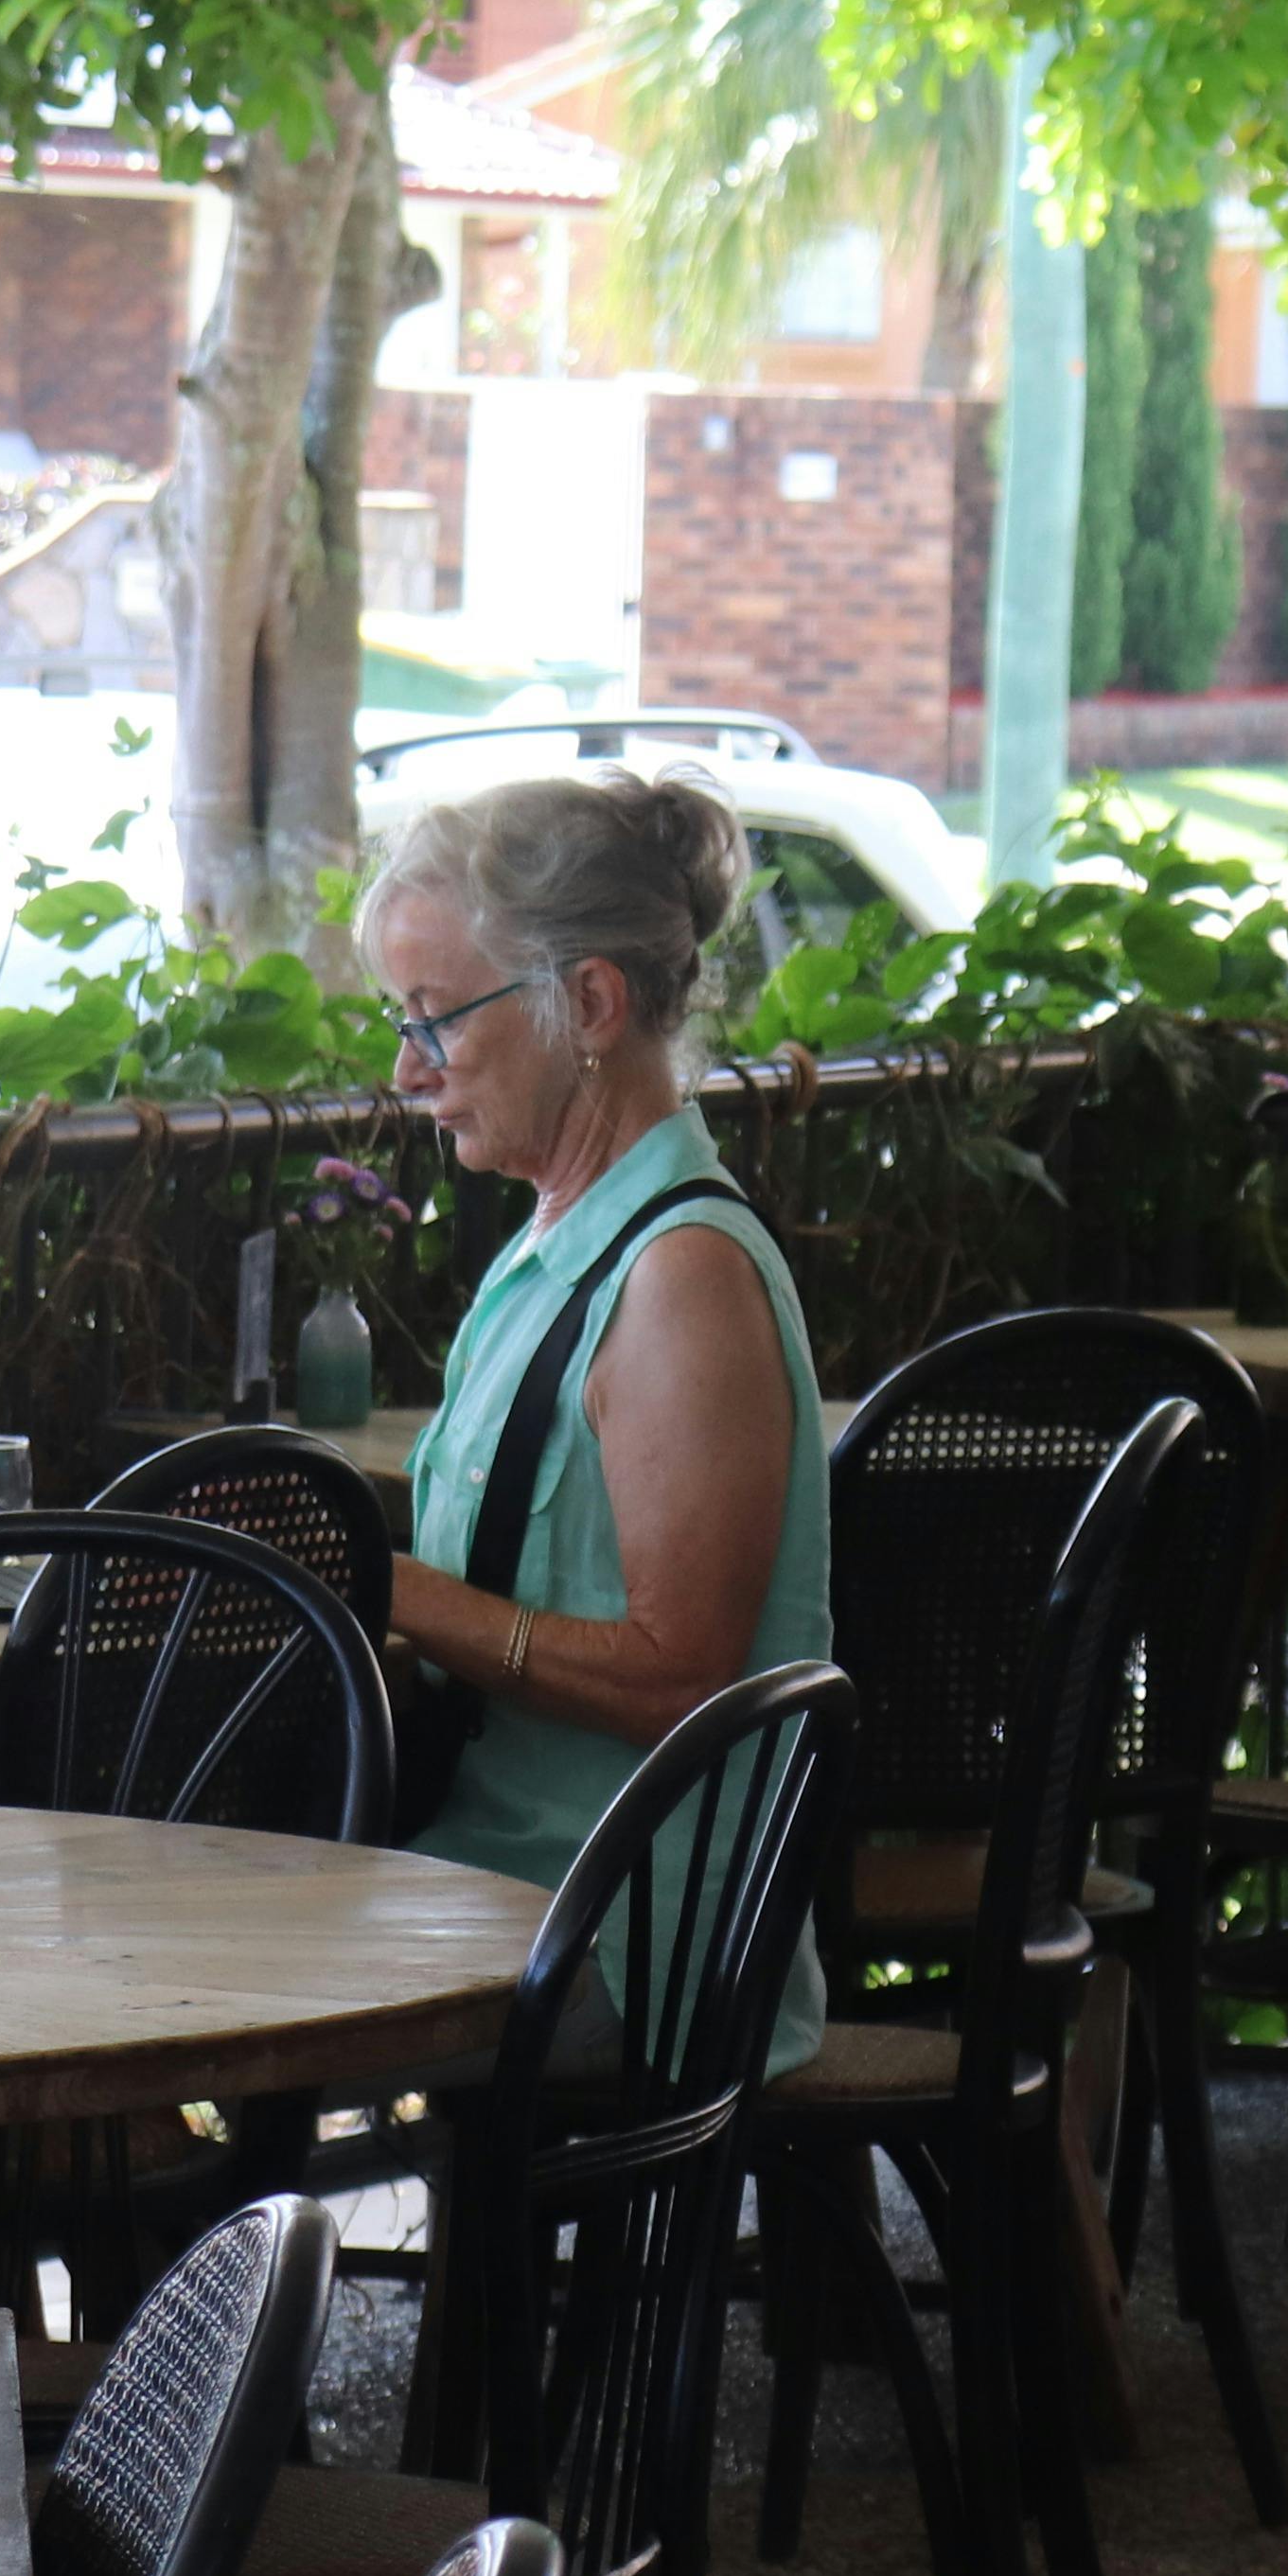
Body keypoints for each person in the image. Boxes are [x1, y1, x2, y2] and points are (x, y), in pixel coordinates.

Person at [362, 768, 832, 2070]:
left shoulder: (679, 1274)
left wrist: (384, 1589)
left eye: (439, 1020)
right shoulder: (565, 1239)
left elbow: (684, 1676)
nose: (411, 1068)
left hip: (625, 1939)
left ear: (588, 1005)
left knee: (169, 1971)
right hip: (511, 1886)